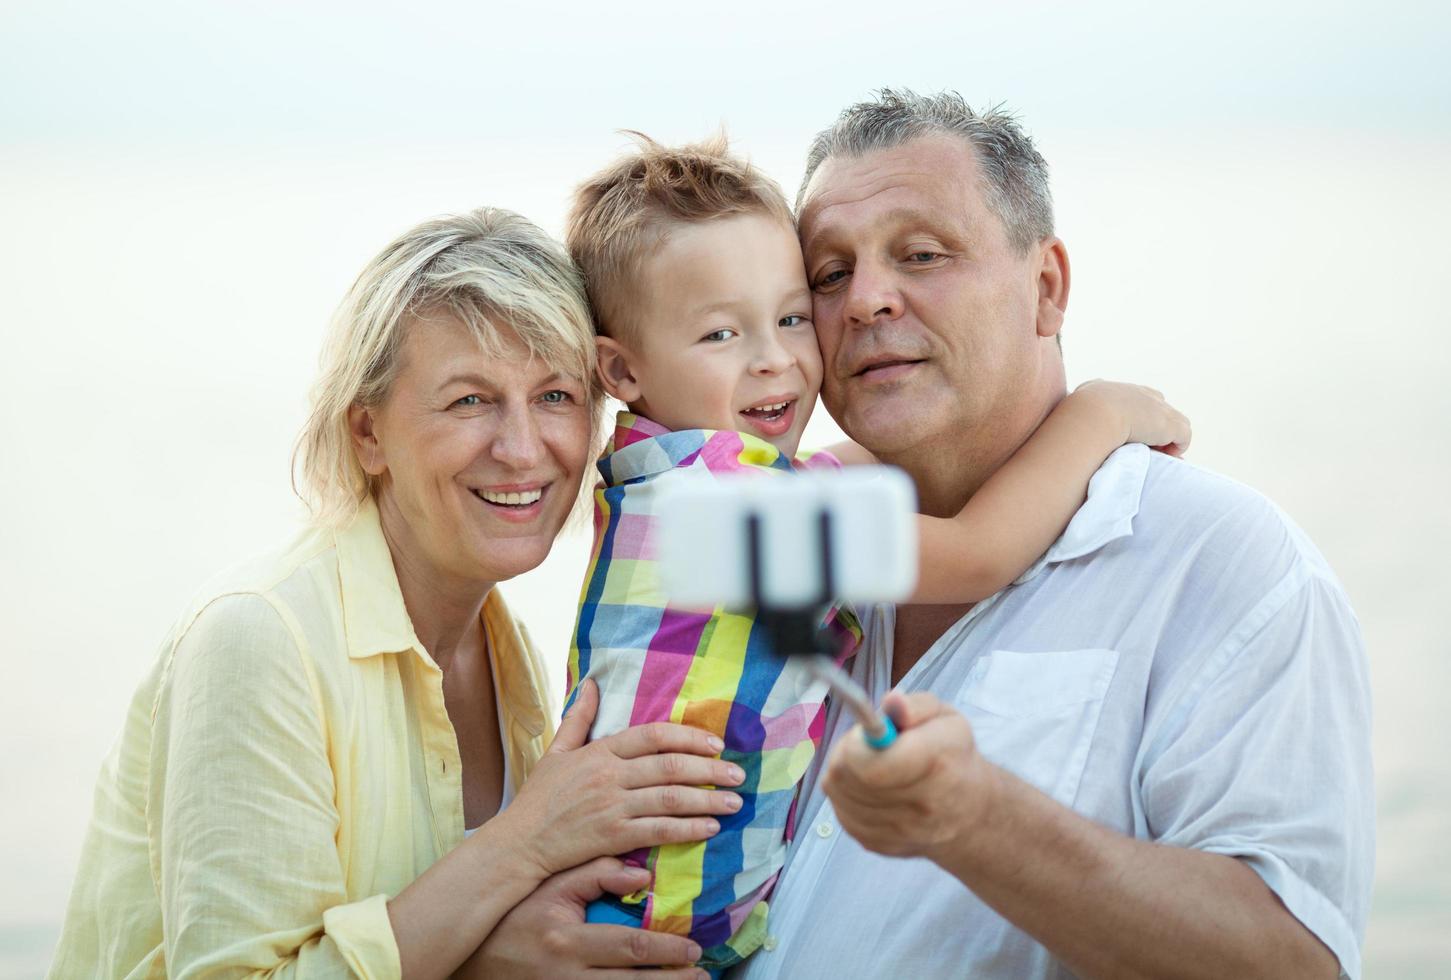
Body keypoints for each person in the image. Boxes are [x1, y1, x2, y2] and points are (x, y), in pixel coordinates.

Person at [470, 94, 1374, 980]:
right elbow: (979, 547)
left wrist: (976, 820)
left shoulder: (1220, 558)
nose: (862, 301)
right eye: (828, 276)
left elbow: (1293, 961)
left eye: (922, 254)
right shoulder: (763, 512)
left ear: (1046, 287)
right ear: (622, 368)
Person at [47, 207, 744, 979]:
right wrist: (528, 842)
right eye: (468, 400)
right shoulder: (257, 639)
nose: (522, 449)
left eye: (554, 396)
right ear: (367, 434)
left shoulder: (503, 645)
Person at [554, 135, 1190, 975]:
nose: (774, 357)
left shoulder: (656, 484)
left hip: (639, 906)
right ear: (622, 371)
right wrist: (1101, 416)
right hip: (653, 933)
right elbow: (975, 552)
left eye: (789, 317)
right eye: (719, 334)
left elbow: (830, 475)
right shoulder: (733, 511)